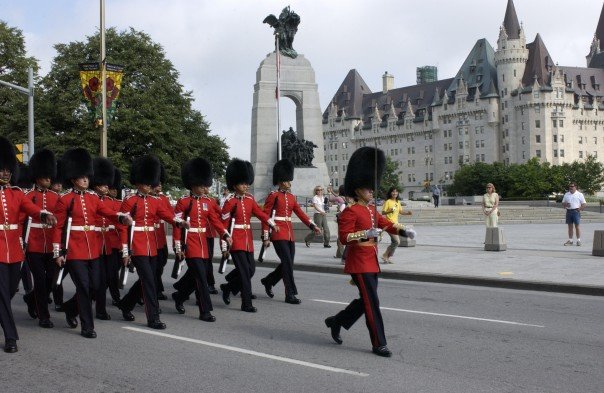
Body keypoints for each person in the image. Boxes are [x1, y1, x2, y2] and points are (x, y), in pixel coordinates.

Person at [324, 147, 415, 358]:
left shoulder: (371, 210)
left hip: (372, 261)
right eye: (367, 189)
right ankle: (379, 343)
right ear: (357, 190)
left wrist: (405, 231)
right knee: (372, 303)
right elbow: (344, 238)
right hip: (359, 263)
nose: (371, 192)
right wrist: (365, 234)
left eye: (372, 189)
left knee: (367, 300)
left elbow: (388, 224)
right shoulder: (350, 212)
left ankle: (337, 321)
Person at [52, 148, 130, 339]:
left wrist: (120, 217)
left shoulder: (93, 198)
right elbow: (58, 227)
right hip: (75, 250)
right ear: (73, 179)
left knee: (96, 287)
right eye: (82, 177)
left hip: (93, 249)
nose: (86, 179)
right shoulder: (65, 200)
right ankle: (87, 326)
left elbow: (107, 212)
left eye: (87, 176)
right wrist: (58, 251)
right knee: (84, 287)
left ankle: (71, 309)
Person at [0, 137, 57, 353]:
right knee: (3, 293)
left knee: (12, 287)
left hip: (13, 250)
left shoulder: (16, 193)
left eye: (8, 170)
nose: (5, 173)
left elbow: (30, 208)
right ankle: (11, 336)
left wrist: (43, 214)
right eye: (1, 170)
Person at [117, 155, 186, 330]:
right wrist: (125, 251)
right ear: (138, 182)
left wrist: (179, 222)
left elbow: (166, 215)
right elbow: (123, 228)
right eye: (146, 182)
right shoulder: (130, 201)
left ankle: (126, 304)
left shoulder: (155, 201)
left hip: (152, 246)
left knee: (147, 279)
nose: (149, 185)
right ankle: (153, 318)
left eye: (151, 182)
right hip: (137, 246)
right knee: (149, 281)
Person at [171, 158, 231, 322]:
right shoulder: (183, 202)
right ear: (192, 184)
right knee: (201, 278)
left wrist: (225, 234)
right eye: (202, 185)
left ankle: (179, 296)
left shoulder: (209, 203)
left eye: (206, 185)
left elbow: (215, 221)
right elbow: (177, 225)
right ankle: (205, 310)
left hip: (203, 243)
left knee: (197, 275)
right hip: (189, 243)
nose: (206, 188)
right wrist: (178, 247)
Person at [219, 159, 278, 313]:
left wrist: (271, 223)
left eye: (247, 183)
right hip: (235, 240)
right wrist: (224, 247)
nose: (246, 185)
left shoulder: (250, 199)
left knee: (251, 270)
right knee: (245, 272)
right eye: (242, 183)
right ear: (234, 185)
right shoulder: (230, 202)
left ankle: (228, 287)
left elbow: (261, 214)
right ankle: (246, 303)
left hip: (247, 240)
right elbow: (223, 226)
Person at [259, 159, 320, 304]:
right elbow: (265, 217)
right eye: (286, 181)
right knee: (287, 262)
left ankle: (269, 281)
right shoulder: (273, 196)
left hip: (289, 233)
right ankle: (290, 294)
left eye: (289, 180)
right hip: (277, 232)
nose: (289, 183)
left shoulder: (291, 197)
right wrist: (266, 236)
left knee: (288, 263)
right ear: (280, 182)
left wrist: (312, 225)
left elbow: (300, 213)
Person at [22, 149, 61, 329]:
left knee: (51, 281)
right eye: (45, 176)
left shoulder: (56, 197)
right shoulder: (28, 196)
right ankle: (43, 316)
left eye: (49, 177)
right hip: (34, 244)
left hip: (51, 244)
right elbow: (22, 221)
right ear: (37, 177)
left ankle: (31, 299)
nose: (48, 180)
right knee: (39, 280)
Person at [90, 157, 118, 321]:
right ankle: (99, 309)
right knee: (96, 281)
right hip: (93, 242)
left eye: (107, 184)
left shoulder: (111, 202)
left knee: (108, 278)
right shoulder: (90, 200)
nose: (106, 187)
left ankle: (98, 308)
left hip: (107, 243)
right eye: (103, 184)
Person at [381, 187, 414, 264]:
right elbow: (383, 212)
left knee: (394, 242)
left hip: (396, 224)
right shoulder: (388, 202)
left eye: (396, 192)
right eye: (393, 192)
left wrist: (407, 213)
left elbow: (400, 211)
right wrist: (389, 211)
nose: (394, 193)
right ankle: (385, 255)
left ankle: (386, 257)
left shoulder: (397, 202)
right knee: (397, 242)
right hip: (389, 224)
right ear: (390, 193)